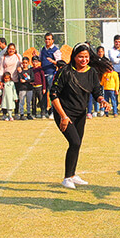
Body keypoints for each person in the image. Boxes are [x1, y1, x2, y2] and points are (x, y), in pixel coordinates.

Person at [50, 43, 111, 189]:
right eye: (80, 57)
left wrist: (102, 101)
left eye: (86, 57)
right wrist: (63, 117)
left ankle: (72, 175)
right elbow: (53, 94)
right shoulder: (65, 71)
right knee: (75, 142)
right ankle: (66, 178)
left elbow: (97, 92)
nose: (83, 60)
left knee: (76, 145)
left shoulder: (91, 72)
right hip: (64, 114)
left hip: (80, 114)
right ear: (74, 57)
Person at [40, 32, 62, 118]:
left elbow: (60, 63)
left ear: (52, 40)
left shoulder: (55, 50)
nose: (47, 41)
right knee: (43, 94)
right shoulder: (43, 49)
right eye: (46, 39)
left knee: (52, 93)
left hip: (51, 74)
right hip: (42, 74)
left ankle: (53, 111)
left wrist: (53, 62)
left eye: (49, 39)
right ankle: (44, 112)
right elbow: (40, 59)